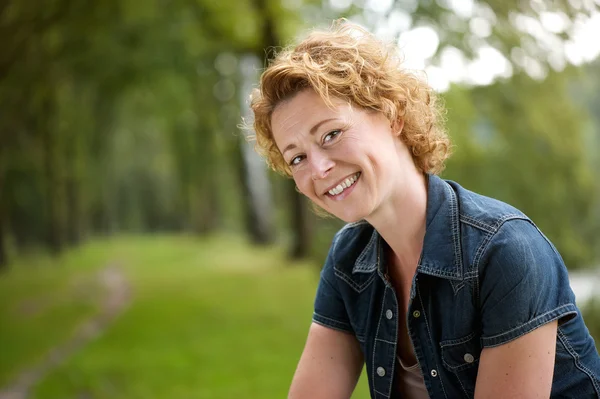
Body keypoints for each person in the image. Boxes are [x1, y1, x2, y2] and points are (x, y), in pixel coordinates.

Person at [249, 20, 600, 399]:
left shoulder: (505, 250)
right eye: (297, 157)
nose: (318, 169)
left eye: (331, 134)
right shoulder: (348, 261)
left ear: (392, 116)